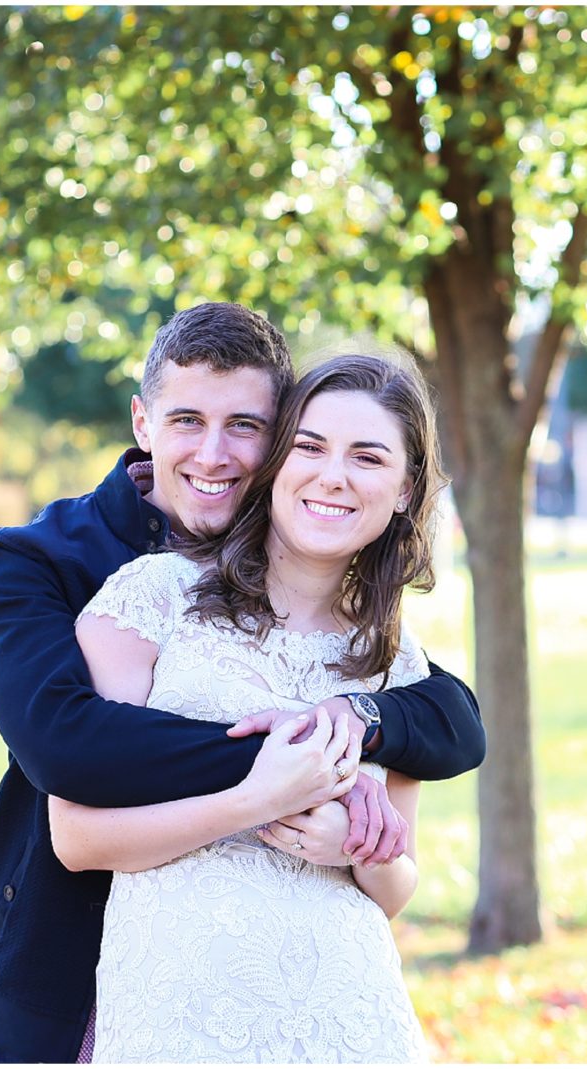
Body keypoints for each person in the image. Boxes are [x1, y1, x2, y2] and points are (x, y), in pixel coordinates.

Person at [0, 304, 485, 1063]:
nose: (214, 453)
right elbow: (63, 745)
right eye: (186, 421)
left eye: (244, 425)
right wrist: (295, 767)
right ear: (143, 422)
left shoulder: (376, 642)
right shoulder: (49, 563)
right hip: (71, 961)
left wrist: (357, 751)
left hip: (327, 999)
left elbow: (447, 722)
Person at [52, 352, 443, 1061]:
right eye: (311, 445)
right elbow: (77, 837)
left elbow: (396, 882)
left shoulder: (398, 661)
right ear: (275, 462)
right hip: (180, 1020)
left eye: (367, 456)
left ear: (405, 489)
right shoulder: (153, 600)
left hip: (349, 1019)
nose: (333, 475)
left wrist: (348, 847)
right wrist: (254, 799)